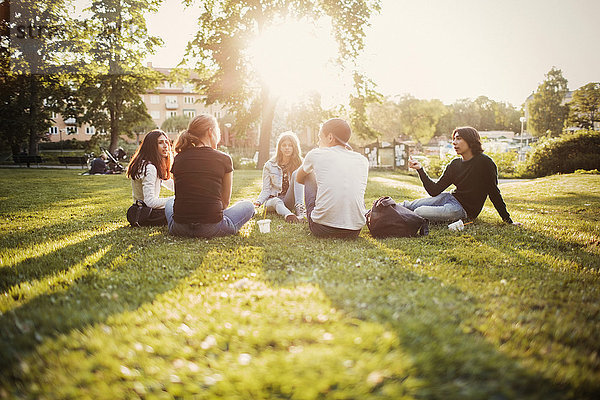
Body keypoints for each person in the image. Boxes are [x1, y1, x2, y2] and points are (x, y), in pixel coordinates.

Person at [165, 114, 255, 238]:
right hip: (212, 228)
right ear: (210, 131)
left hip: (180, 228)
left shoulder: (179, 158)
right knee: (248, 205)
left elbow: (179, 194)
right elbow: (225, 202)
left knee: (170, 201)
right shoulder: (224, 158)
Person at [403, 126, 515, 224]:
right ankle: (386, 208)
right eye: (454, 139)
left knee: (419, 211)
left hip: (462, 210)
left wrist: (508, 220)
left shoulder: (485, 163)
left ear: (470, 141)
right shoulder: (455, 164)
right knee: (408, 205)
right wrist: (420, 169)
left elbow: (494, 193)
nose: (454, 142)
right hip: (449, 198)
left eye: (459, 138)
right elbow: (434, 190)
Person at [296, 118, 369, 238]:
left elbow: (299, 178)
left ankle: (318, 213)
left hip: (321, 228)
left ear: (330, 137)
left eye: (320, 138)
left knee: (308, 173)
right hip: (354, 230)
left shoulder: (316, 154)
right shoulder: (362, 160)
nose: (318, 143)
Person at [254, 131, 306, 223]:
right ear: (280, 148)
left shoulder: (301, 163)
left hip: (289, 200)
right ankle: (289, 216)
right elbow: (266, 189)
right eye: (284, 145)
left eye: (290, 145)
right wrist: (259, 201)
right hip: (272, 200)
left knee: (296, 174)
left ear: (294, 147)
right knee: (277, 201)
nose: (287, 148)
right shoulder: (269, 165)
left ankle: (300, 211)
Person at [126, 130, 174, 225]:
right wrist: (176, 199)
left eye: (166, 142)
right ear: (151, 146)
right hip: (148, 214)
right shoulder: (150, 167)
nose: (165, 146)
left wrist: (187, 193)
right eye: (160, 143)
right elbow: (150, 202)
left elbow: (169, 183)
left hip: (142, 211)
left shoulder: (149, 164)